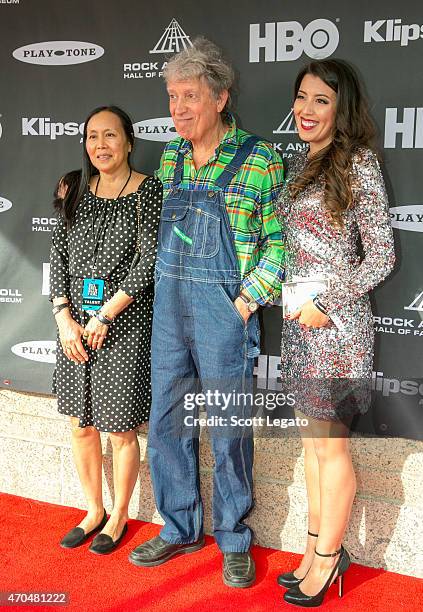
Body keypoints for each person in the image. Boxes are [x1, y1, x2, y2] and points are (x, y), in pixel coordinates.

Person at [129, 38, 284, 588]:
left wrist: (241, 304)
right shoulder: (170, 157)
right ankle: (178, 527)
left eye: (189, 96)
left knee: (228, 429)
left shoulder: (261, 160)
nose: (177, 109)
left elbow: (279, 246)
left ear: (220, 97)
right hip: (170, 311)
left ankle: (234, 537)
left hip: (224, 314)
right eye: (171, 97)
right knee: (168, 423)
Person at [275, 59, 395, 606]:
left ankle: (328, 560)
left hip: (338, 325)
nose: (306, 109)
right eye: (302, 97)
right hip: (299, 325)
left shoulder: (359, 165)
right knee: (312, 448)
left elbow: (381, 259)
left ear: (340, 108)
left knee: (331, 449)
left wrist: (326, 302)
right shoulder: (296, 162)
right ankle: (311, 551)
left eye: (321, 100)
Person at [50, 105, 162, 555]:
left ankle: (119, 516)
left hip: (123, 324)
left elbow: (148, 261)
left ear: (129, 142)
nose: (101, 145)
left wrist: (105, 316)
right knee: (81, 425)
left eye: (110, 135)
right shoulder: (75, 186)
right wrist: (64, 319)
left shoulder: (148, 190)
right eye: (93, 136)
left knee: (120, 430)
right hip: (75, 326)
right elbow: (57, 255)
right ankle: (93, 509)